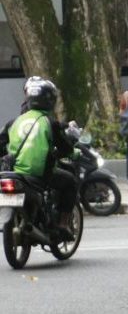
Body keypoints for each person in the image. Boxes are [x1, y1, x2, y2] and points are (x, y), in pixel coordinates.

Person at [0, 77, 79, 240]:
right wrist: (59, 153)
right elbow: (65, 148)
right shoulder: (49, 122)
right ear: (50, 100)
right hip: (38, 174)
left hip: (13, 173)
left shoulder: (13, 122)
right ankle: (63, 224)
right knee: (70, 181)